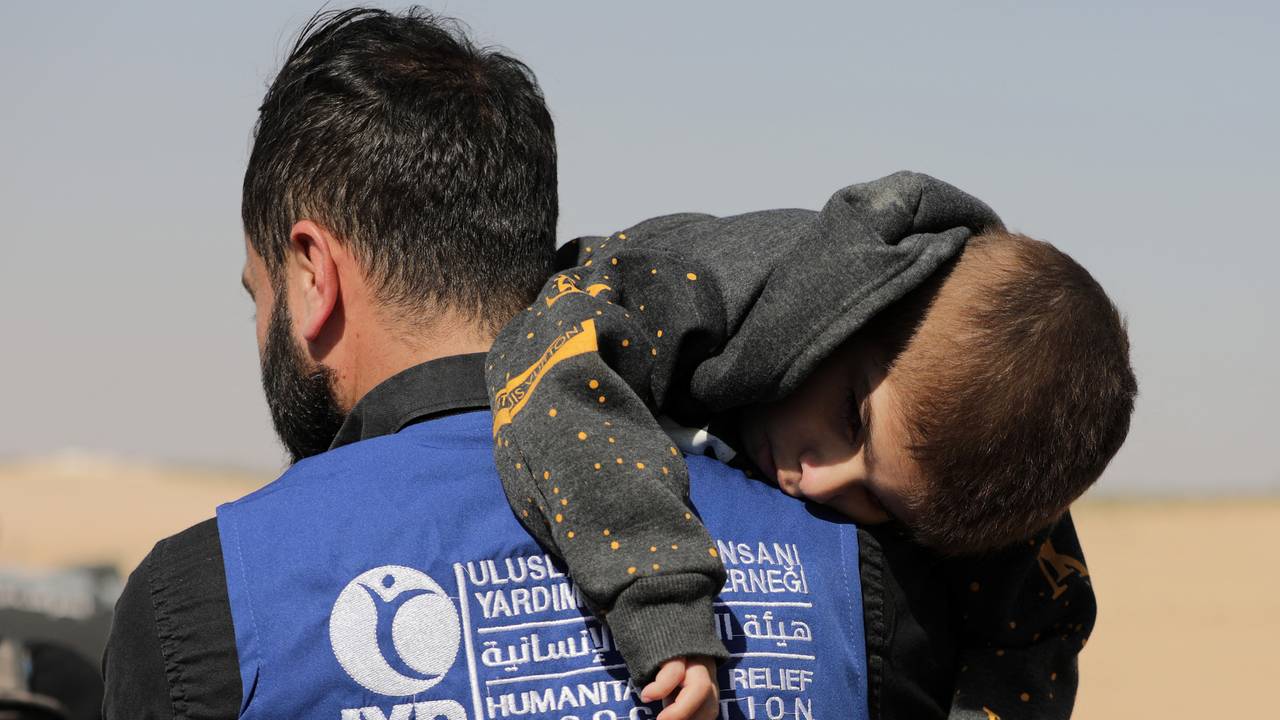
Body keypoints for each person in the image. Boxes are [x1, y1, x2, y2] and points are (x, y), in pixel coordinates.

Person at [100, 8, 932, 720]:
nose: (259, 327)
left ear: (315, 274)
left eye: (259, 293)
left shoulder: (206, 604)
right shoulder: (849, 568)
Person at [487, 172, 1136, 718]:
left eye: (876, 499)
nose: (818, 480)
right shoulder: (700, 277)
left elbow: (1036, 632)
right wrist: (659, 597)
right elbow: (548, 358)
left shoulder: (989, 462)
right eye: (853, 420)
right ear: (867, 308)